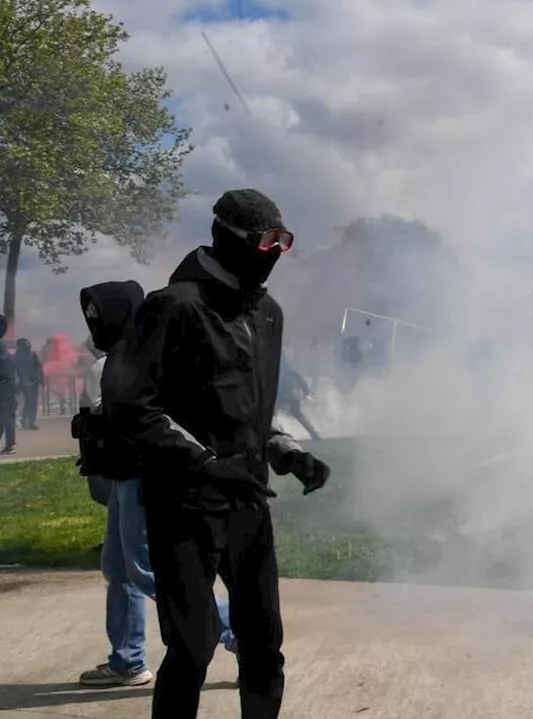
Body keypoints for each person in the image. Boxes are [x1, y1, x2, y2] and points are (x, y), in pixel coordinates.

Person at [104, 189, 331, 719]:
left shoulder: (267, 313)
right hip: (184, 507)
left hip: (247, 504)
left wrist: (287, 451)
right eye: (266, 242)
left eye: (284, 242)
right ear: (226, 238)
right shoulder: (173, 306)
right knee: (192, 647)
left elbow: (252, 410)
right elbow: (132, 405)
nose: (274, 253)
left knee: (263, 646)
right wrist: (206, 463)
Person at [73, 281, 239, 688]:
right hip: (123, 479)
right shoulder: (132, 356)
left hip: (139, 480)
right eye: (89, 314)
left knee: (148, 572)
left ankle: (245, 635)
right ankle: (127, 660)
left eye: (99, 314)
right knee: (120, 569)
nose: (94, 322)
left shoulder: (128, 361)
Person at [14, 337, 43, 430]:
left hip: (34, 381)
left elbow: (39, 366)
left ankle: (29, 421)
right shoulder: (17, 356)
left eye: (29, 344)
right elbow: (16, 371)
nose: (29, 346)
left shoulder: (32, 354)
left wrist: (41, 379)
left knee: (32, 403)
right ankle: (27, 422)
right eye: (26, 344)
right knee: (30, 402)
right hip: (24, 382)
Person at [0, 326, 15, 455]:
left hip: (3, 394)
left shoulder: (2, 360)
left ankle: (9, 446)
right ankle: (10, 445)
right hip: (9, 393)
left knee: (5, 420)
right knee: (8, 420)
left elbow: (4, 377)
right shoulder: (10, 358)